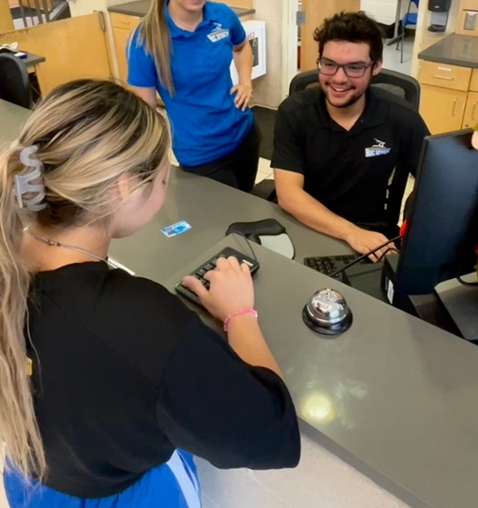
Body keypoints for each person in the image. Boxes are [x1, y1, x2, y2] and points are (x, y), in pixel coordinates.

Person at [0, 80, 300, 508]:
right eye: (163, 178)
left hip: (31, 480)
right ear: (123, 188)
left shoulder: (9, 260)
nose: (165, 188)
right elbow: (272, 435)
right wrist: (240, 315)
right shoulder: (142, 322)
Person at [272, 11, 429, 262]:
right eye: (329, 64)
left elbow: (433, 182)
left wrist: (414, 223)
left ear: (375, 67)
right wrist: (350, 233)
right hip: (305, 224)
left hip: (370, 232)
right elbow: (289, 194)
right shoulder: (294, 113)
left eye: (354, 67)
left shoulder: (401, 117)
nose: (339, 78)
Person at [127, 0, 260, 192]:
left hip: (245, 135)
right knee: (219, 226)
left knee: (247, 215)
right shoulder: (145, 40)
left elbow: (242, 47)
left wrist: (246, 82)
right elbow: (146, 114)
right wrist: (153, 169)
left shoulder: (222, 16)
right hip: (201, 156)